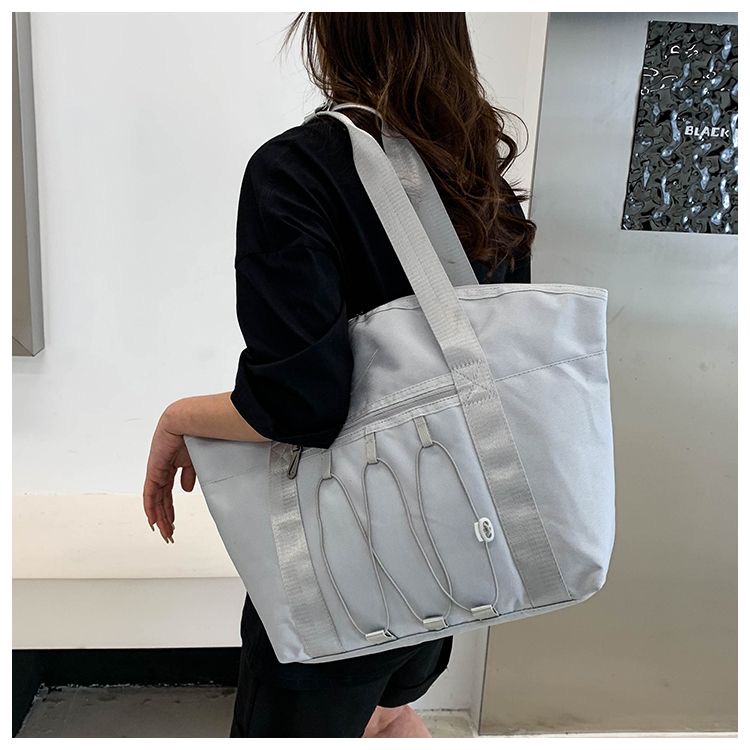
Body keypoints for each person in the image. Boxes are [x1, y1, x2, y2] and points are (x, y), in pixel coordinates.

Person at [142, 12, 536, 738]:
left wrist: (178, 417)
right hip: (452, 557)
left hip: (341, 580)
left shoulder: (298, 172)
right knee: (388, 717)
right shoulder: (476, 179)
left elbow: (305, 403)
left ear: (331, 33)